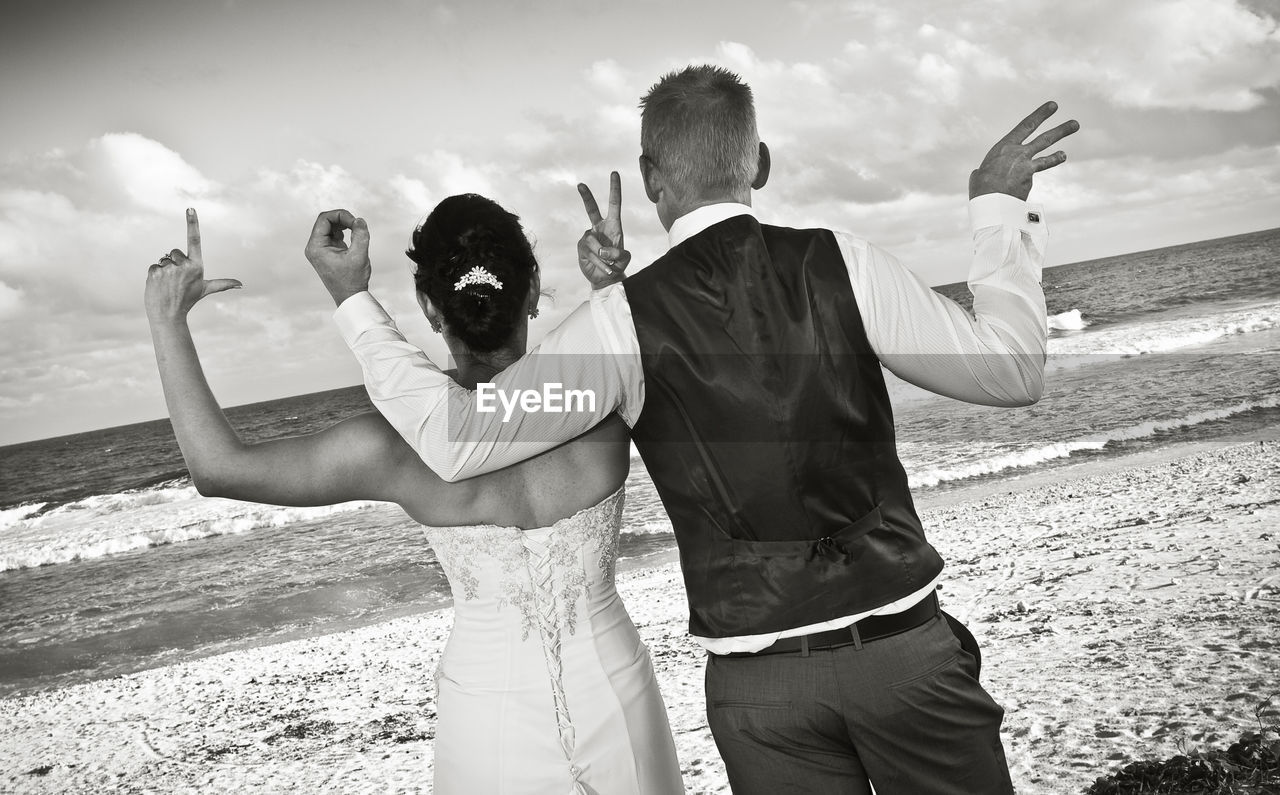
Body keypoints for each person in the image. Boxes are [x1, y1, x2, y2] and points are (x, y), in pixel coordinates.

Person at [312, 65, 1078, 793]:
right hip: (903, 655)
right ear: (761, 163)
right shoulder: (844, 261)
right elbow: (1011, 369)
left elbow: (456, 437)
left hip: (761, 694)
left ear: (651, 181)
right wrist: (997, 210)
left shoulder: (620, 325)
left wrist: (353, 298)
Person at [144, 198, 684, 794]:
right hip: (618, 695)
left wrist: (168, 320)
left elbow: (220, 468)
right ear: (531, 291)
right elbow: (637, 353)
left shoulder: (395, 448)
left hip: (486, 725)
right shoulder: (600, 405)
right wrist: (611, 289)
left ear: (430, 307)